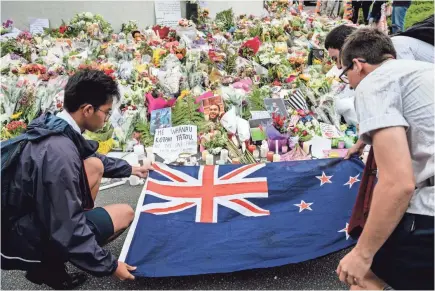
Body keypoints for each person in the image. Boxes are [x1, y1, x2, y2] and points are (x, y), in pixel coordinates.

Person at [1, 70, 153, 289]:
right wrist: (109, 266)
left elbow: (92, 158)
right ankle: (50, 267)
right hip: (25, 238)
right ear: (88, 109)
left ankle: (58, 256)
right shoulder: (60, 155)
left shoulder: (54, 126)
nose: (107, 119)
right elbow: (67, 226)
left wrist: (132, 168)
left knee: (94, 165)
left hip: (23, 221)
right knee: (125, 214)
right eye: (106, 112)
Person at [336, 27, 434, 290]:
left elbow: (398, 183)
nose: (351, 84)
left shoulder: (374, 82)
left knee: (361, 274)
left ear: (358, 65)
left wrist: (362, 253)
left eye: (346, 75)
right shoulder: (422, 70)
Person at [324, 23, 434, 158]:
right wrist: (362, 142)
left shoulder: (382, 75)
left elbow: (393, 106)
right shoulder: (386, 60)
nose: (339, 66)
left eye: (337, 59)